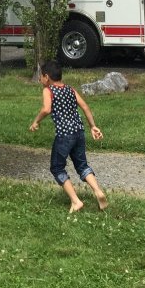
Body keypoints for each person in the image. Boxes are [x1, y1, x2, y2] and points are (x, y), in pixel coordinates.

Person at [29, 60, 108, 213]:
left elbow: (46, 109)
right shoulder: (70, 89)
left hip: (64, 135)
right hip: (79, 132)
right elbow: (85, 106)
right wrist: (93, 126)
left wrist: (35, 122)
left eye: (41, 77)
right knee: (82, 165)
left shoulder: (48, 90)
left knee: (57, 167)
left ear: (47, 77)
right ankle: (98, 191)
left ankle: (76, 201)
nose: (40, 80)